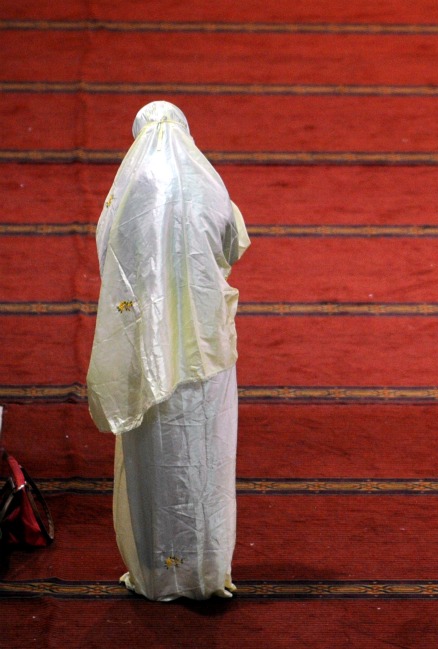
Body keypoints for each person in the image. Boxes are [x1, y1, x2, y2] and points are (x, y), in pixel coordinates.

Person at [87, 101, 249, 601]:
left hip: (148, 352)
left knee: (157, 463)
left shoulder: (130, 189)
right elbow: (233, 241)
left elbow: (104, 250)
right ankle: (206, 573)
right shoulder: (207, 181)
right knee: (206, 460)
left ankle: (156, 574)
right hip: (203, 349)